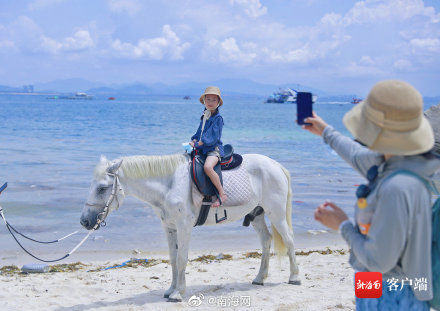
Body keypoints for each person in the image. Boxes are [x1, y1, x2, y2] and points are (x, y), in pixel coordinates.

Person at [302, 80, 440, 310]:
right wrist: (325, 131)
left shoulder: (400, 185)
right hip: (371, 282)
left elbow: (379, 260)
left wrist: (342, 224)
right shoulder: (388, 162)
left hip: (396, 291)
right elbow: (356, 155)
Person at [190, 86, 227, 207]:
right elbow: (199, 133)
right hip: (203, 148)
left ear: (218, 103)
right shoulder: (205, 116)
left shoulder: (218, 118)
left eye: (214, 100)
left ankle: (222, 194)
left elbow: (213, 137)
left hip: (213, 149)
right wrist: (194, 140)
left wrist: (200, 143)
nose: (210, 102)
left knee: (207, 167)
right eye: (208, 99)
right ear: (204, 101)